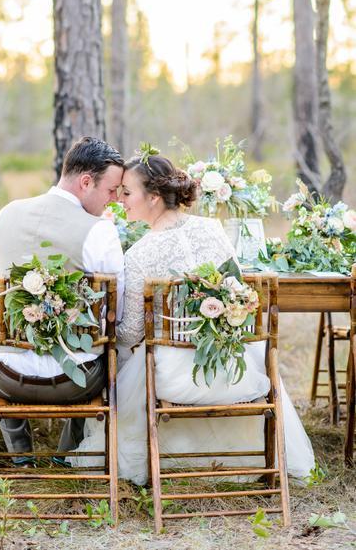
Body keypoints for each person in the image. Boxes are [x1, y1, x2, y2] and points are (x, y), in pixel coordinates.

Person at [70, 152, 315, 483]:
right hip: (235, 368)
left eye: (127, 192)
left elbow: (128, 333)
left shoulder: (139, 254)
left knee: (133, 360)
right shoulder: (213, 230)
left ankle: (168, 457)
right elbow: (239, 294)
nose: (120, 201)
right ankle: (247, 456)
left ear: (154, 198)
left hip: (175, 378)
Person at [0, 136, 125, 464]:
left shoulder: (5, 215)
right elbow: (119, 313)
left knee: (0, 343)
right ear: (86, 182)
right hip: (72, 384)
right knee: (106, 347)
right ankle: (66, 456)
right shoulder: (100, 231)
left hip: (5, 378)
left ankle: (22, 457)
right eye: (111, 190)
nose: (113, 200)